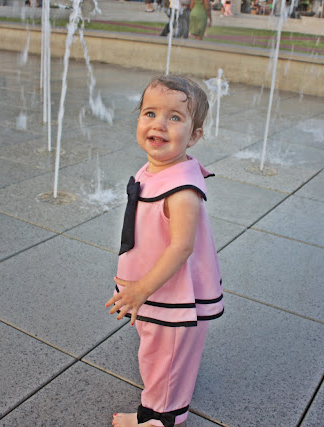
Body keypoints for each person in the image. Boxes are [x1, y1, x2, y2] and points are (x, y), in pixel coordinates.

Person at [108, 75, 224, 427]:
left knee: (167, 359)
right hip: (155, 287)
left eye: (174, 117)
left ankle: (162, 419)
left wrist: (142, 288)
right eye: (150, 113)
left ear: (194, 135)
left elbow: (182, 246)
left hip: (173, 292)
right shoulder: (156, 168)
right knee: (155, 353)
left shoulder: (182, 188)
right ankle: (153, 410)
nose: (159, 124)